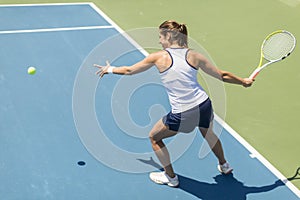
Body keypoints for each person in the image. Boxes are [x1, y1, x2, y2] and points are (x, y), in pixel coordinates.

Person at [95, 20, 253, 187]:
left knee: (154, 138)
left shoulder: (159, 57)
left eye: (160, 37)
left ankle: (171, 177)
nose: (159, 41)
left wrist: (109, 69)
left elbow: (129, 70)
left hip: (184, 112)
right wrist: (243, 81)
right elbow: (222, 75)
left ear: (169, 36)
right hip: (204, 104)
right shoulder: (194, 55)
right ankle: (224, 165)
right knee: (208, 133)